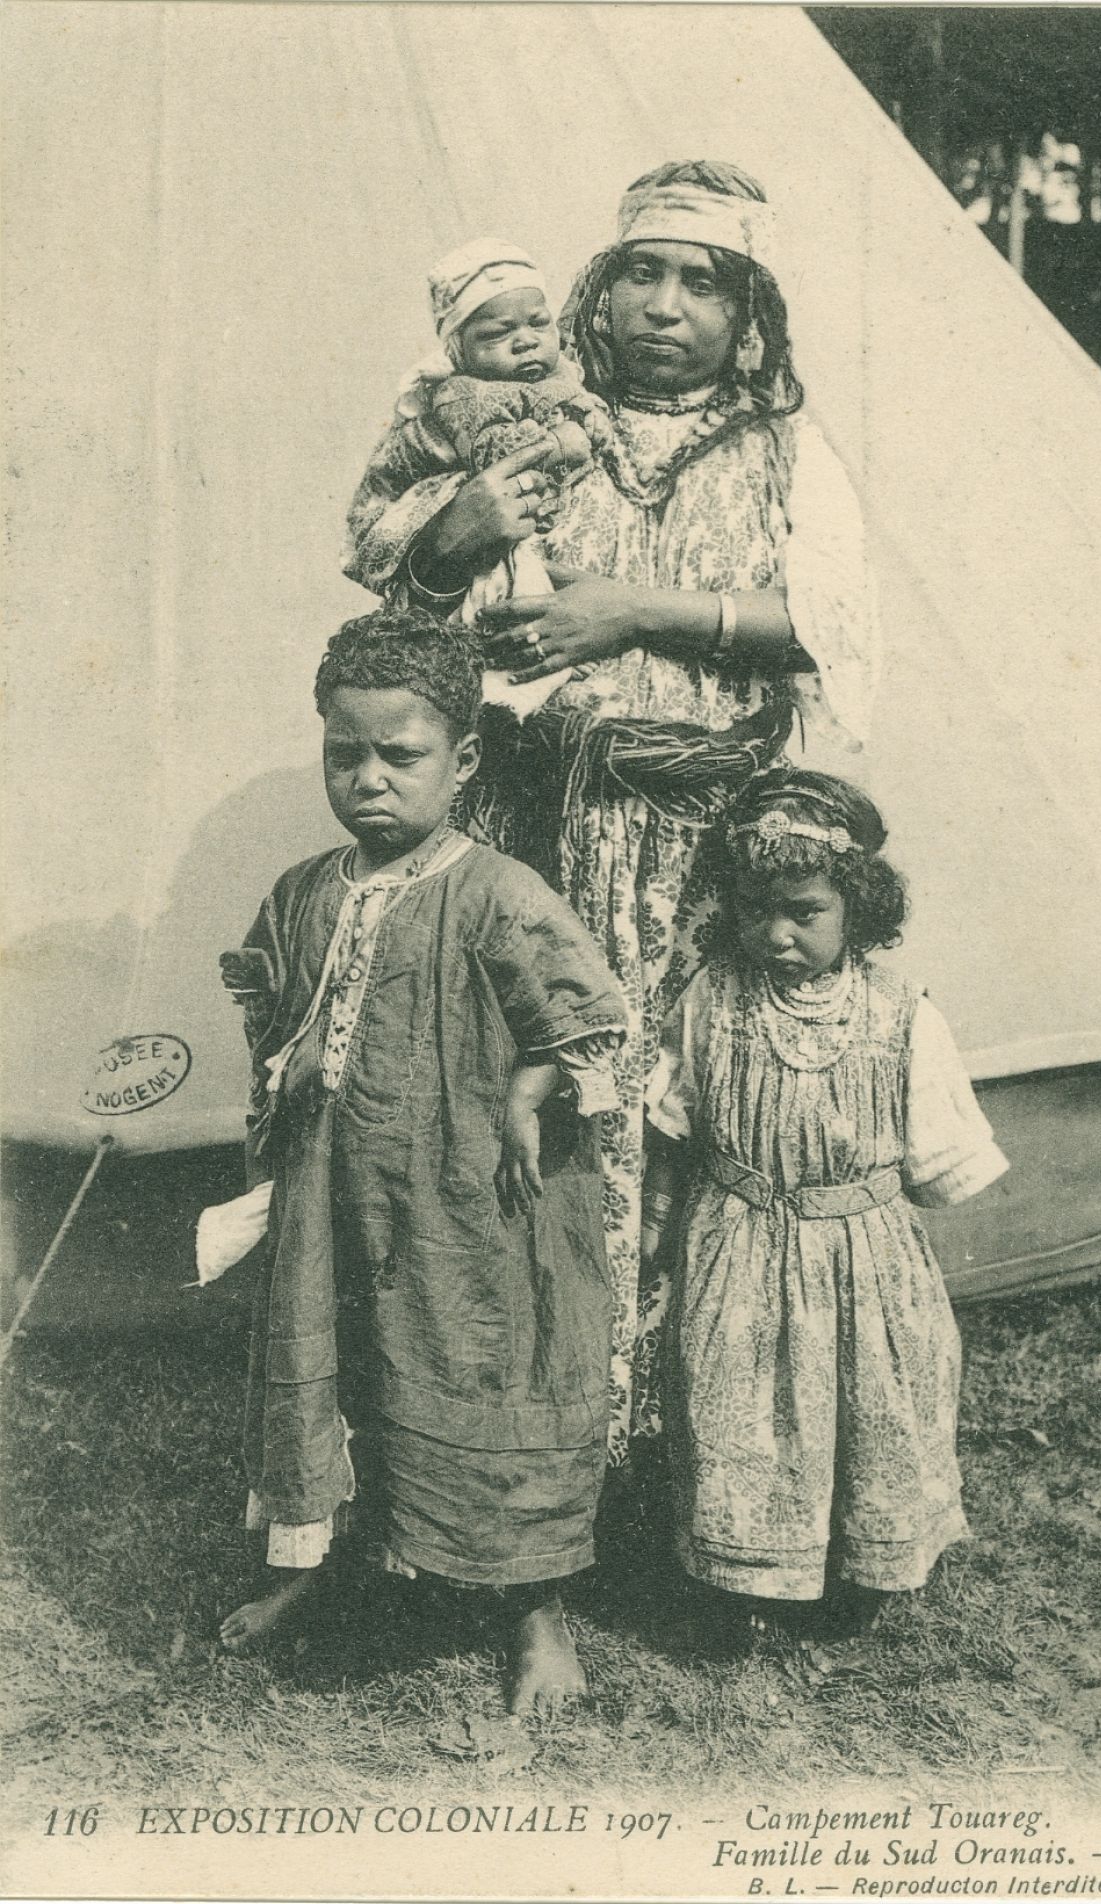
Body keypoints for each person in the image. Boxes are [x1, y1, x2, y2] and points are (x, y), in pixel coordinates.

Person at [343, 160, 881, 1469]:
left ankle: (678, 1463)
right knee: (524, 1116)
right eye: (641, 272)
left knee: (696, 1128)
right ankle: (516, 1451)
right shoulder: (526, 420)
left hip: (707, 860)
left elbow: (837, 625)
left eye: (702, 282)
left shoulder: (779, 446)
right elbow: (395, 601)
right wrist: (460, 527)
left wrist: (634, 610)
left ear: (747, 312)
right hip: (534, 839)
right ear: (598, 285)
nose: (664, 306)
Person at [215, 608, 626, 1712]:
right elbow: (275, 1004)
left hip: (463, 1199)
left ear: (464, 759)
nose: (369, 781)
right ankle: (319, 1562)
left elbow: (589, 1019)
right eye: (343, 755)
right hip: (334, 1192)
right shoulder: (307, 889)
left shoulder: (497, 891)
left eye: (400, 756)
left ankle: (533, 1609)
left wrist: (530, 1091)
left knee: (476, 1368)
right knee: (343, 1359)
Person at [642, 769, 1008, 1632]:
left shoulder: (902, 1014)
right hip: (739, 1250)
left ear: (858, 906)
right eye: (756, 910)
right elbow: (673, 1127)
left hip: (866, 1263)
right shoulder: (711, 1000)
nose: (777, 934)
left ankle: (858, 1576)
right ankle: (742, 1577)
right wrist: (656, 1221)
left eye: (804, 913)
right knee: (740, 1408)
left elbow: (938, 1164)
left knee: (872, 1410)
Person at [344, 237, 610, 715]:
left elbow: (581, 405)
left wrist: (591, 420)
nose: (525, 340)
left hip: (525, 517)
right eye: (497, 334)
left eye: (538, 323)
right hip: (473, 513)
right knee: (503, 590)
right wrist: (560, 442)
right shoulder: (466, 394)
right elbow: (497, 453)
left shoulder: (555, 376)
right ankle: (518, 695)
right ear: (460, 350)